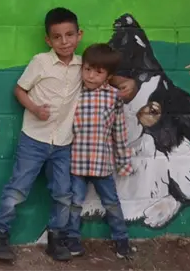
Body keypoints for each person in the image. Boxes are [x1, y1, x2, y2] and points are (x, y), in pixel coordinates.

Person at [0, 7, 138, 263]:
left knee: (63, 194)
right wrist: (34, 108)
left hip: (65, 144)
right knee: (18, 188)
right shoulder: (40, 62)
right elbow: (19, 90)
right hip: (34, 138)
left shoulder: (82, 66)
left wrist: (129, 82)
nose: (64, 42)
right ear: (48, 40)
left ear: (79, 36)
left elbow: (103, 74)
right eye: (57, 37)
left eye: (69, 35)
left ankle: (57, 238)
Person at [64, 43, 136, 259]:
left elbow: (120, 132)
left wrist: (124, 162)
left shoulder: (114, 97)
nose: (91, 76)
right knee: (74, 204)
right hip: (76, 163)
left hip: (101, 164)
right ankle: (73, 239)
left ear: (108, 76)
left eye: (98, 72)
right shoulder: (75, 93)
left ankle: (122, 239)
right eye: (87, 69)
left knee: (112, 203)